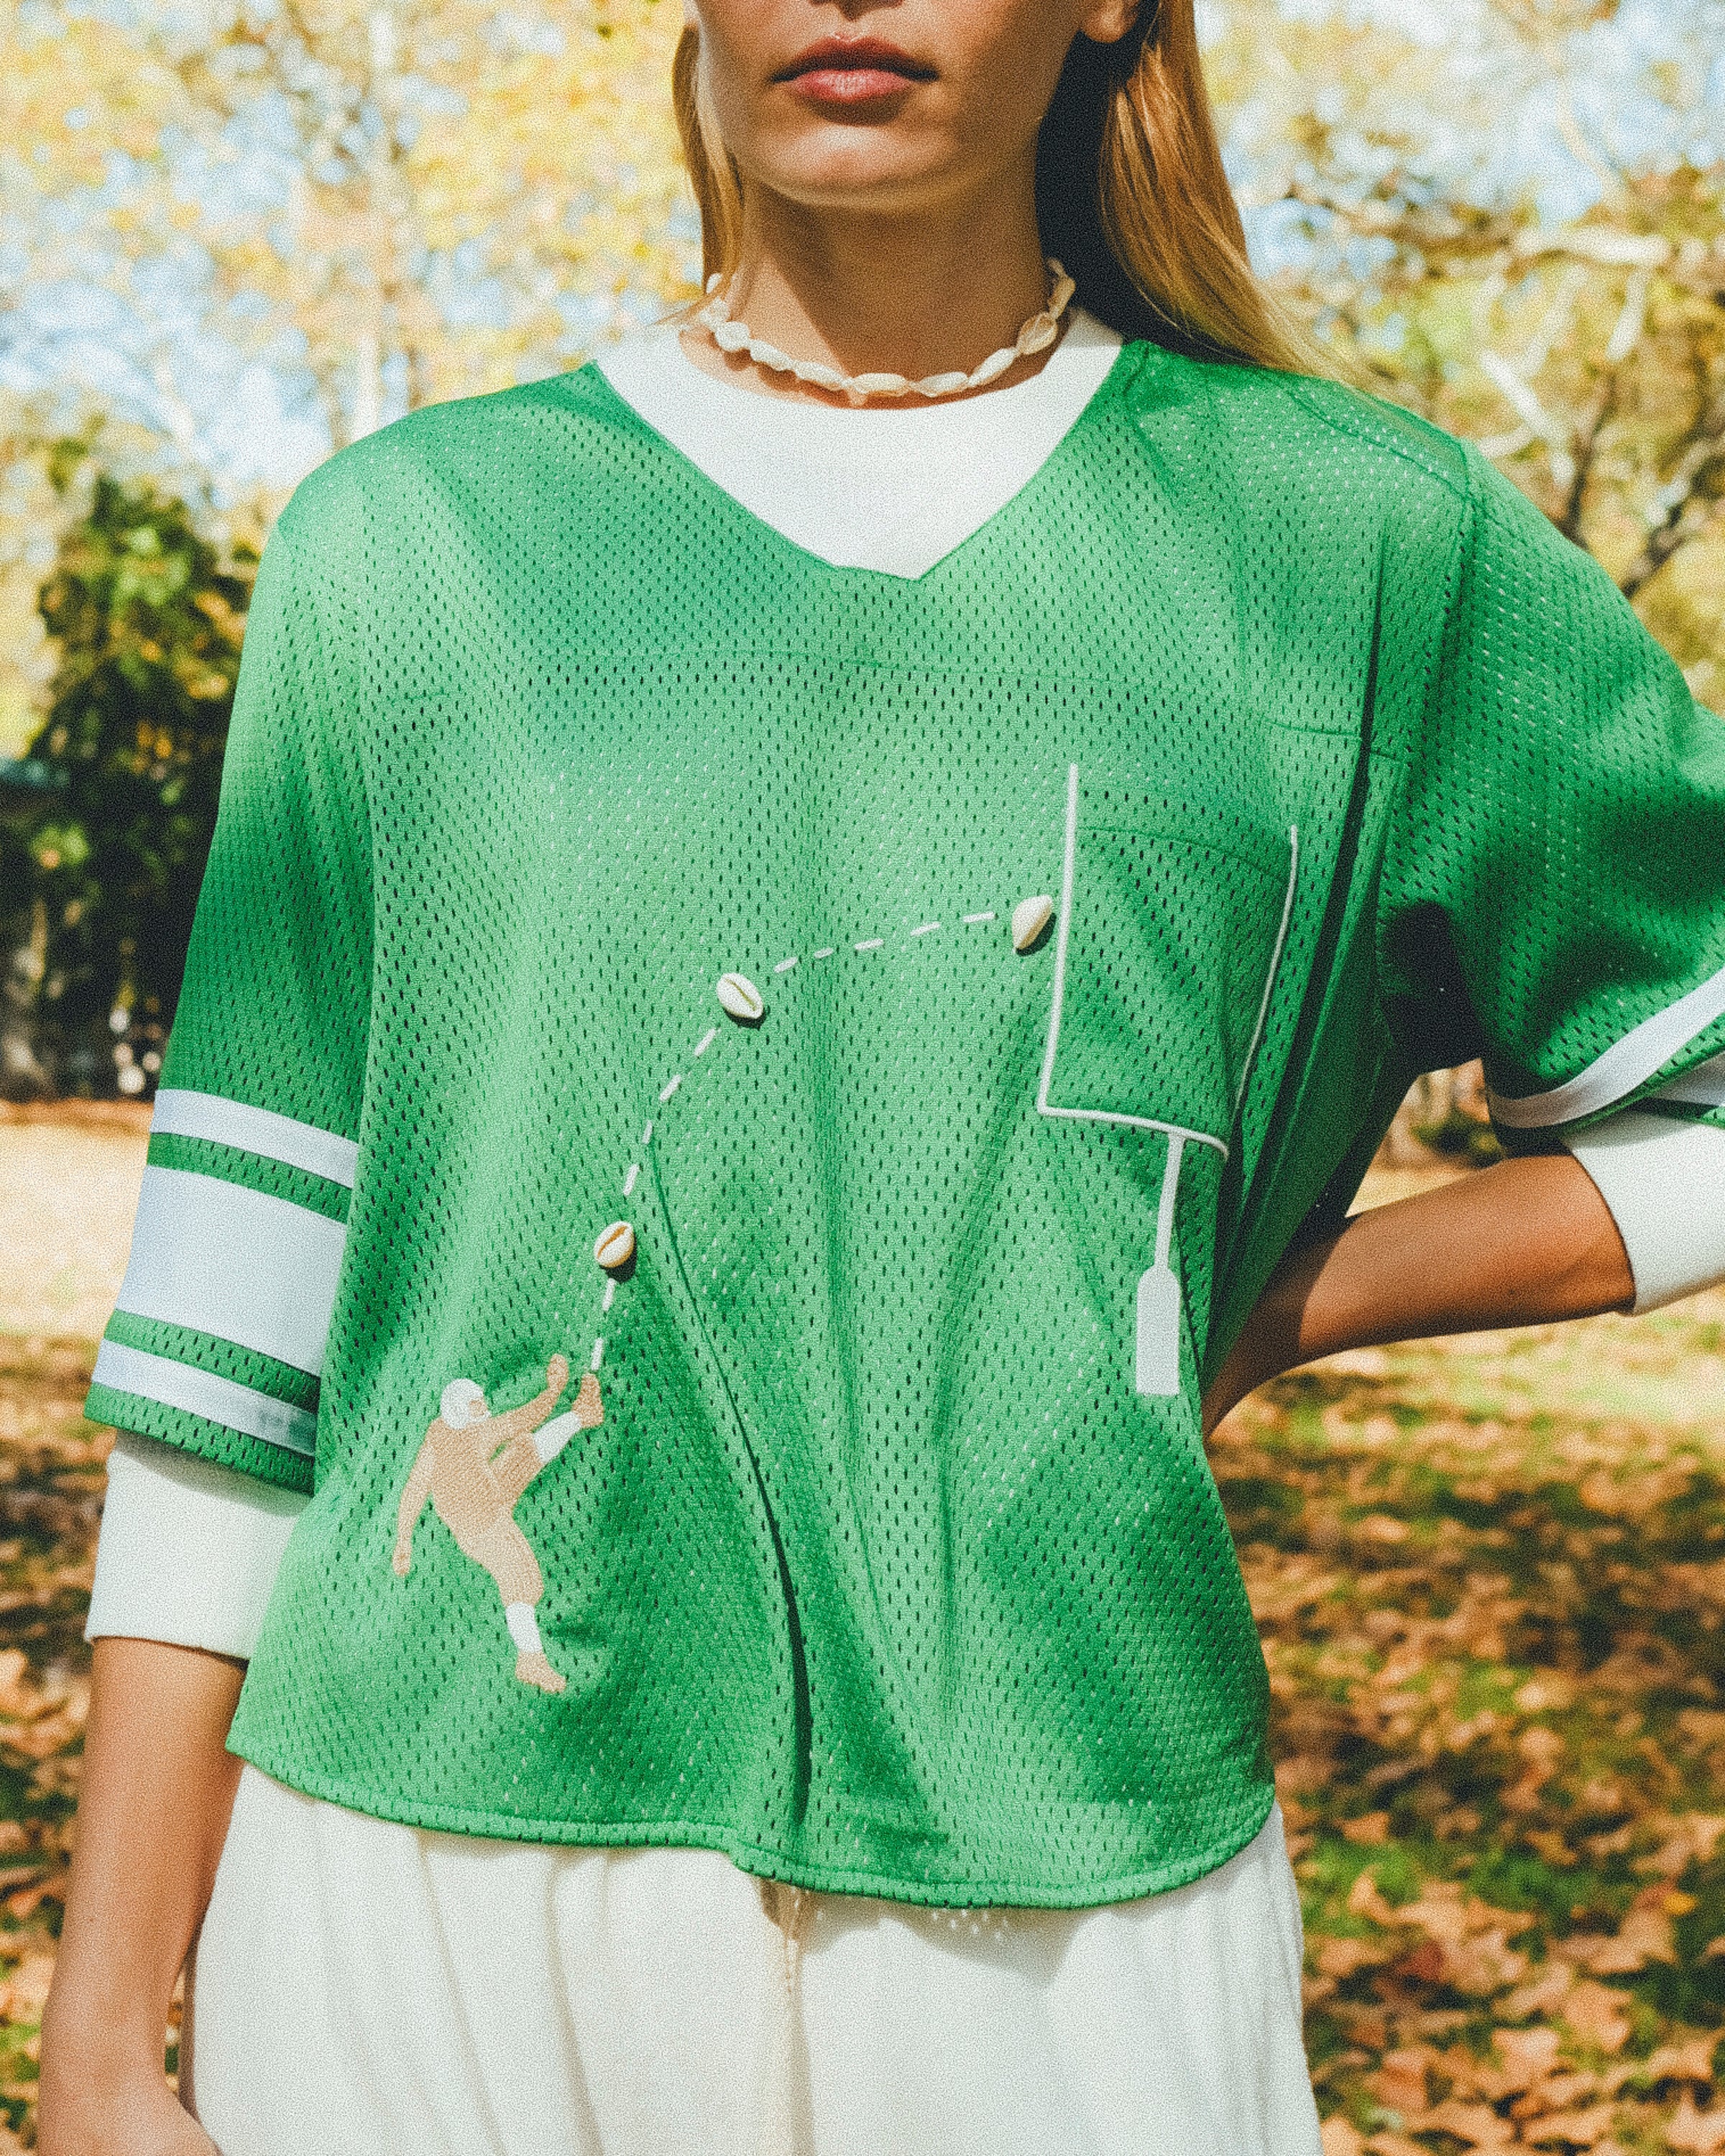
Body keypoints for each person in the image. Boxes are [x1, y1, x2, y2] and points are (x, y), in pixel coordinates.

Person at [40, 1, 1725, 2151]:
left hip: (1072, 1895)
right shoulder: (410, 550)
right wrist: (104, 2033)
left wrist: (1290, 1303)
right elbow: (237, 1309)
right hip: (418, 1891)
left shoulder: (1356, 550)